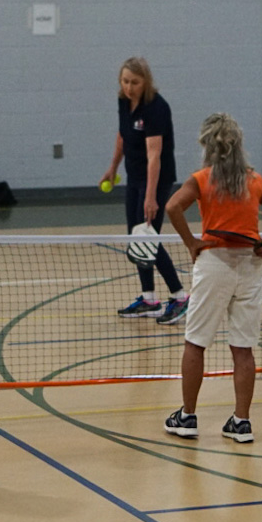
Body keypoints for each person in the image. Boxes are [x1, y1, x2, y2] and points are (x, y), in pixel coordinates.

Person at [162, 113, 262, 443]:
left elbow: (172, 207)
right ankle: (241, 422)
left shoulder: (201, 179)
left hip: (214, 263)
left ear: (207, 146)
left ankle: (187, 417)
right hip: (250, 267)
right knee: (243, 348)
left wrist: (192, 243)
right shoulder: (254, 181)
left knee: (195, 342)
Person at [101, 57, 190, 324]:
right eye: (125, 81)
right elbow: (122, 135)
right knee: (136, 236)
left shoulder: (156, 108)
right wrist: (113, 167)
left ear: (146, 82)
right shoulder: (123, 101)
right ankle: (149, 299)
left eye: (135, 83)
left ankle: (180, 296)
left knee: (147, 238)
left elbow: (155, 156)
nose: (129, 87)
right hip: (134, 176)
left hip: (156, 180)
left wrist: (151, 197)